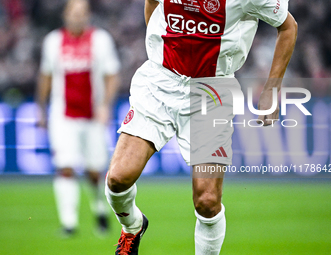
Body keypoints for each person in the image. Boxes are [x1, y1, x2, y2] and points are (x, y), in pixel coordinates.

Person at [105, 0, 297, 254]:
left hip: (212, 91)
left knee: (207, 201)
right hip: (159, 83)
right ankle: (132, 227)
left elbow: (288, 27)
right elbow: (152, 3)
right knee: (118, 179)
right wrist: (158, 48)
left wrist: (272, 88)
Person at [37, 0, 120, 235]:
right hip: (63, 115)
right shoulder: (53, 42)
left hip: (93, 115)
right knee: (65, 166)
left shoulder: (100, 40)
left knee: (94, 170)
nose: (78, 17)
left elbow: (112, 75)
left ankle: (99, 209)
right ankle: (69, 223)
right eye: (74, 13)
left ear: (88, 16)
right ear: (65, 15)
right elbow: (46, 76)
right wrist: (41, 109)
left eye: (82, 13)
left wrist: (105, 105)